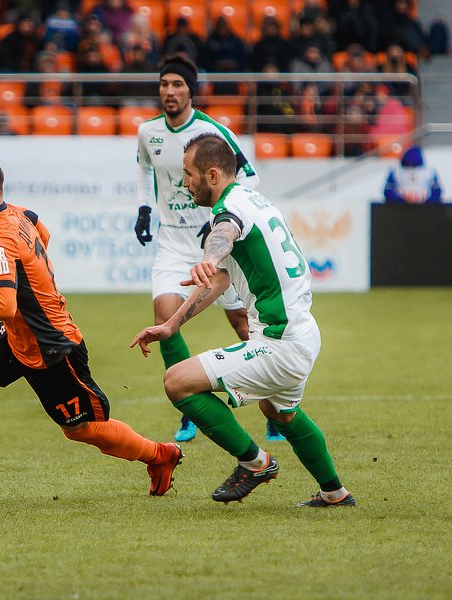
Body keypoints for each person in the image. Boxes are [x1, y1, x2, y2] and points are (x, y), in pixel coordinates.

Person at [0, 155, 182, 495]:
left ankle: (160, 455)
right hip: (15, 336)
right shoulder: (20, 213)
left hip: (51, 347)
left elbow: (2, 304)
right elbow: (42, 231)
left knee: (82, 429)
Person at [131, 133, 355, 508]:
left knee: (177, 382)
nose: (183, 183)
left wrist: (208, 256)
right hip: (301, 334)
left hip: (280, 344)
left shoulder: (231, 209)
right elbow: (221, 278)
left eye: (188, 174)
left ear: (212, 175)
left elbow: (224, 232)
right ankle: (335, 494)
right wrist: (173, 324)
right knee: (280, 413)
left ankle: (255, 464)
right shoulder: (253, 199)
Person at [133, 55, 283, 443]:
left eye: (177, 84)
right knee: (165, 315)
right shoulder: (147, 132)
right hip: (172, 241)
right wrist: (145, 208)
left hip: (215, 243)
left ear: (191, 90)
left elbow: (249, 177)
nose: (169, 91)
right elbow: (144, 171)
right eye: (164, 84)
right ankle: (189, 408)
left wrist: (220, 217)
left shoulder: (213, 132)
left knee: (243, 325)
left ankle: (275, 409)